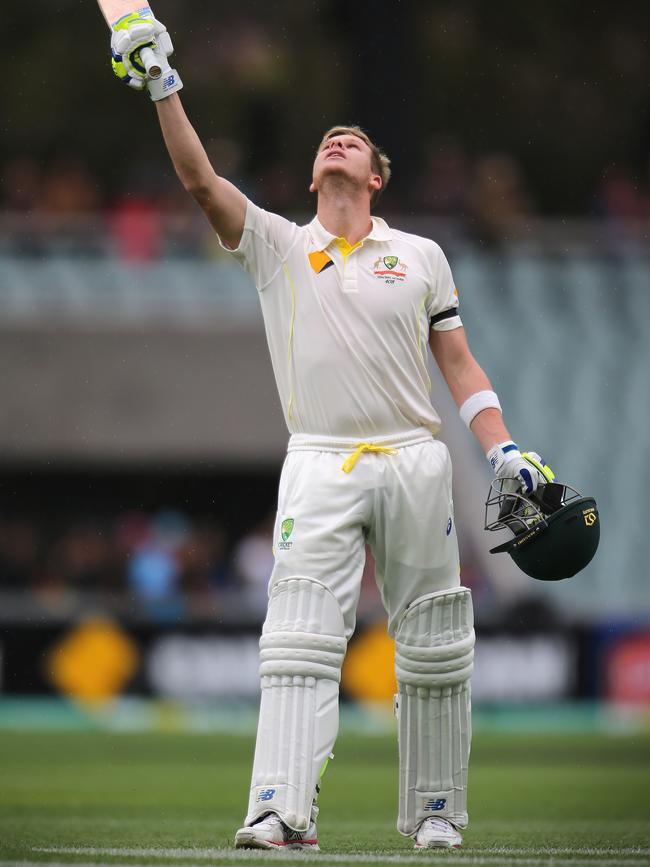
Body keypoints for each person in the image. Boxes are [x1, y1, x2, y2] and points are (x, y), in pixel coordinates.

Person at [109, 16, 554, 851]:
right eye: (327, 138)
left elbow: (457, 361)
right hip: (318, 459)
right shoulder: (277, 245)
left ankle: (435, 813)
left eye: (354, 140)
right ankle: (280, 807)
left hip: (416, 456)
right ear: (315, 176)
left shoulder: (420, 255)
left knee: (432, 642)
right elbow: (201, 181)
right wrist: (163, 82)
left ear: (377, 177)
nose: (338, 138)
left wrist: (501, 449)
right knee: (298, 635)